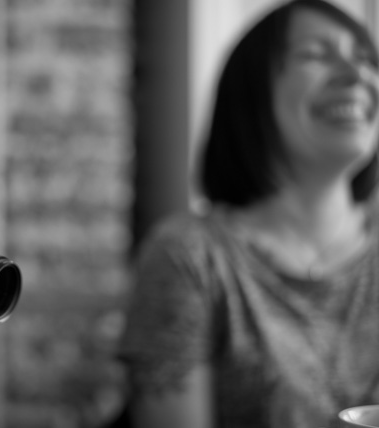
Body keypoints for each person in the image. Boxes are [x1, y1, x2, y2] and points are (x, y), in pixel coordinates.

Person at [118, 1, 379, 427]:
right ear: (253, 89)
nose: (358, 75)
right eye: (316, 54)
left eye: (367, 59)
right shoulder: (190, 257)